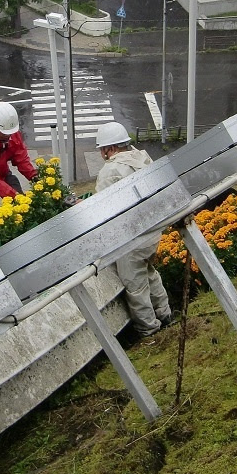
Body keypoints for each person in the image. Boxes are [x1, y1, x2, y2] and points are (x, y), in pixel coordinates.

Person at [95, 121, 172, 339]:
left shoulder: (111, 170)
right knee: (150, 274)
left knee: (135, 285)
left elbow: (102, 208)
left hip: (131, 236)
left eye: (102, 149)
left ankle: (149, 330)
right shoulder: (140, 157)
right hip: (151, 230)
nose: (102, 154)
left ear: (111, 148)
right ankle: (165, 314)